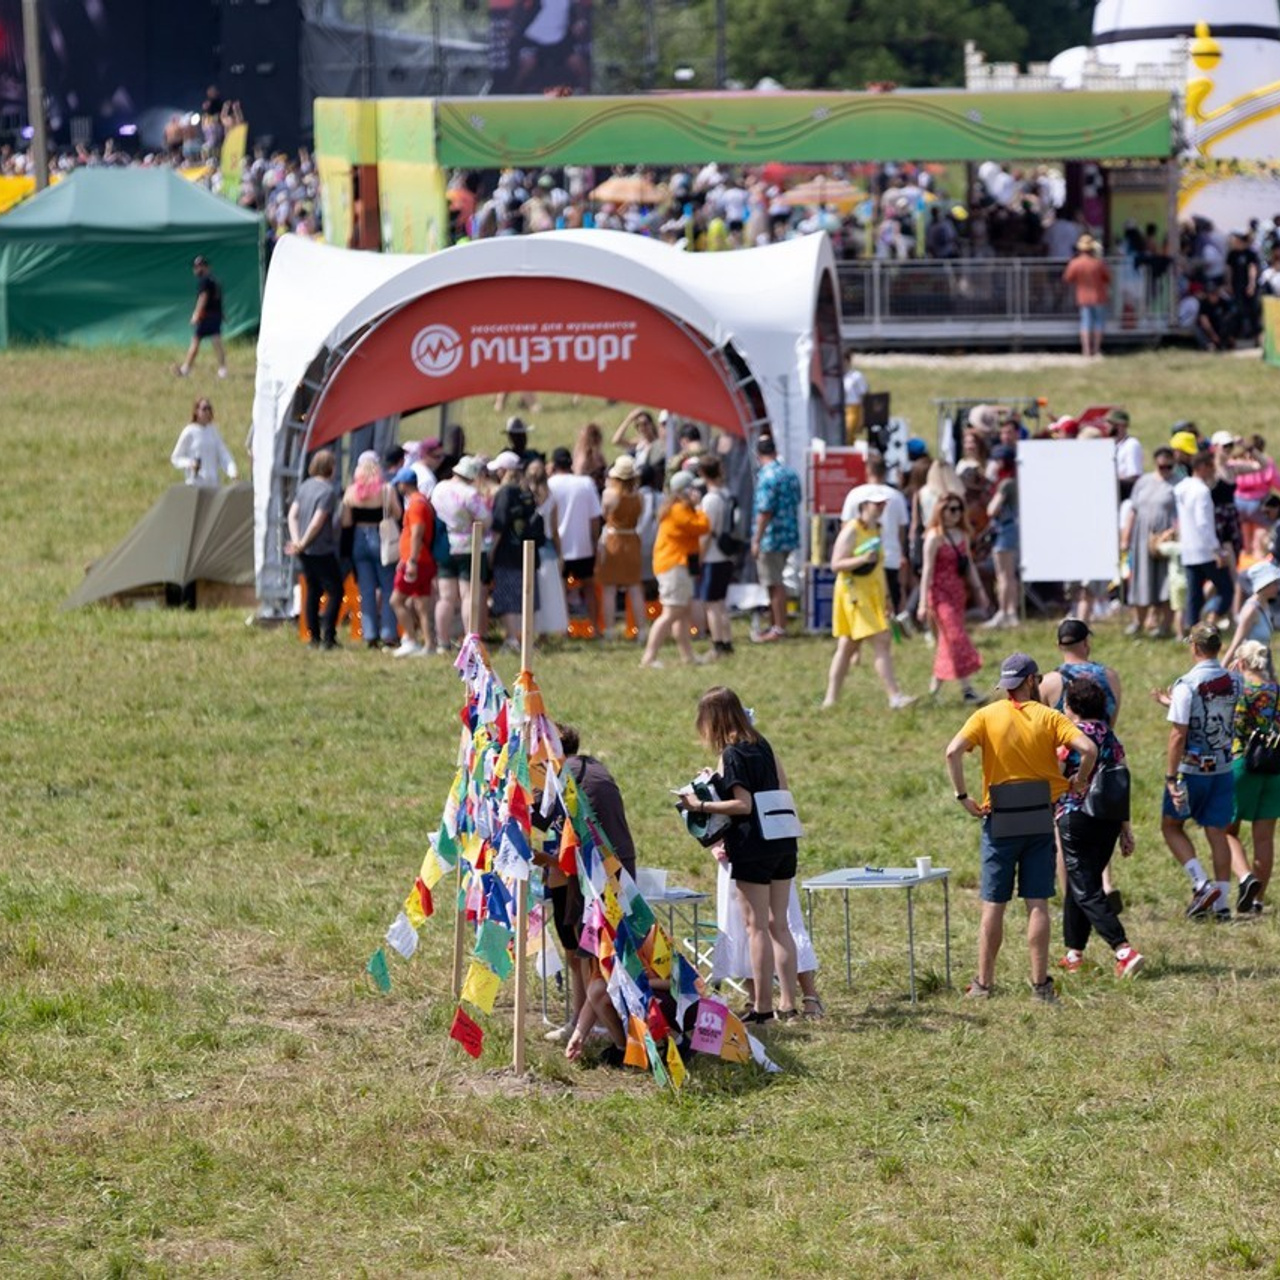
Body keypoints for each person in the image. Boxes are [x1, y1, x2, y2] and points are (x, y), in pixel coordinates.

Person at [945, 652, 1097, 1002]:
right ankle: (1040, 985)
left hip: (999, 819)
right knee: (1037, 904)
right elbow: (1088, 748)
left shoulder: (985, 715)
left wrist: (963, 796)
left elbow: (953, 752)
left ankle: (983, 985)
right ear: (1032, 681)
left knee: (993, 905)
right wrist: (1078, 780)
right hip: (1040, 818)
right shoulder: (1049, 717)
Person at [676, 687, 799, 1024]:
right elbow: (777, 790)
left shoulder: (732, 753)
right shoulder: (762, 744)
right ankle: (789, 1002)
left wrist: (698, 804)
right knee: (780, 925)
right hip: (783, 840)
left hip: (753, 844)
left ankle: (762, 1008)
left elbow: (743, 805)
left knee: (755, 926)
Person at [534, 723, 638, 1052]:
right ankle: (584, 1024)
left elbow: (542, 819)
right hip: (605, 867)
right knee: (587, 950)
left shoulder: (569, 776)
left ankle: (605, 1030)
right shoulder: (586, 769)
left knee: (598, 953)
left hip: (600, 873)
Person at [1056, 678, 1144, 978]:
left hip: (1075, 816)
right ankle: (1074, 954)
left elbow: (1056, 773)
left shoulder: (1070, 734)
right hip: (1107, 818)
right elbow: (1120, 782)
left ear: (1071, 706)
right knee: (1082, 884)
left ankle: (1123, 950)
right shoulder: (1110, 736)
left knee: (1084, 886)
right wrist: (1125, 828)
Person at [1159, 622, 1239, 921]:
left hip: (1191, 771)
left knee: (1171, 826)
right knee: (1217, 831)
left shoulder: (1186, 684)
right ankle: (1222, 906)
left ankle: (1200, 883)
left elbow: (1178, 734)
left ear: (1194, 647)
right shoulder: (1234, 680)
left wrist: (1170, 776)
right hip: (1223, 767)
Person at [823, 488, 915, 710]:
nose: (881, 507)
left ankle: (830, 699)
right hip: (854, 594)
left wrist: (886, 598)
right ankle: (895, 696)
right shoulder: (851, 530)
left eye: (883, 504)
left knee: (846, 647)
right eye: (876, 504)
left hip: (871, 594)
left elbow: (878, 567)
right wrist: (862, 558)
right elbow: (836, 564)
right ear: (863, 506)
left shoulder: (877, 530)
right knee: (882, 641)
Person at [918, 490, 989, 702]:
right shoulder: (933, 537)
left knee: (947, 642)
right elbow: (927, 571)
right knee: (956, 637)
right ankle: (967, 689)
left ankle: (935, 692)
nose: (955, 514)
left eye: (959, 509)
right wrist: (922, 602)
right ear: (941, 510)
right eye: (951, 509)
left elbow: (969, 567)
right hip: (939, 595)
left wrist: (980, 591)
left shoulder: (963, 535)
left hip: (957, 593)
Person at [1227, 640, 1280, 917]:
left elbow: (1233, 725)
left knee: (1227, 830)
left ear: (1242, 662)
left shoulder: (1242, 691)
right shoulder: (1277, 690)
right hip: (1274, 767)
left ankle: (1246, 877)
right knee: (1264, 838)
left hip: (1242, 763)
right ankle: (1257, 902)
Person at [640, 471, 710, 668]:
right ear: (682, 492)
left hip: (679, 566)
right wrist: (699, 507)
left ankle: (687, 656)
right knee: (671, 613)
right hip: (674, 566)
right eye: (692, 488)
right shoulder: (679, 510)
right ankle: (649, 657)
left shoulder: (678, 508)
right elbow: (702, 526)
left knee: (683, 612)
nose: (696, 492)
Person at [430, 455, 492, 652]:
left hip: (443, 545)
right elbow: (486, 519)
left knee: (445, 597)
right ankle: (470, 641)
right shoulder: (470, 494)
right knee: (468, 595)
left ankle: (442, 640)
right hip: (468, 546)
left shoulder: (439, 488)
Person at [285, 450, 343, 650]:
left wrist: (297, 541)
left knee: (313, 591)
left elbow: (292, 515)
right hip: (320, 549)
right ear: (330, 468)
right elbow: (318, 522)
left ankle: (314, 637)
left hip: (304, 550)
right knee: (336, 591)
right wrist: (305, 541)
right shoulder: (327, 492)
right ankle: (328, 636)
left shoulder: (304, 487)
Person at [843, 451, 911, 622]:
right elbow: (902, 530)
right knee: (888, 606)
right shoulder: (896, 496)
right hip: (890, 556)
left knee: (861, 609)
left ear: (867, 470)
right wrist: (901, 552)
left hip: (860, 558)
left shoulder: (855, 494)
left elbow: (845, 527)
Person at [343, 450, 400, 650]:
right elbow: (397, 512)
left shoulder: (351, 491)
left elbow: (346, 521)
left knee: (366, 590)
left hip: (359, 538)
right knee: (387, 588)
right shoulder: (386, 490)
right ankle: (388, 632)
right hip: (381, 537)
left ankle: (369, 633)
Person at [487, 451, 542, 653]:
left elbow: (499, 525)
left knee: (508, 597)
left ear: (503, 470)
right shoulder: (527, 491)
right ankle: (526, 639)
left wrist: (491, 552)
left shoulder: (505, 493)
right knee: (526, 596)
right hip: (528, 551)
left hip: (508, 553)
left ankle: (512, 639)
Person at [1120, 447, 1177, 638]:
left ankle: (1165, 626)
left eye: (1169, 466)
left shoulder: (1178, 484)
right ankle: (1138, 622)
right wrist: (1125, 537)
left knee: (1165, 583)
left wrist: (1171, 533)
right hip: (1142, 537)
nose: (1165, 470)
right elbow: (1133, 510)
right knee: (1141, 580)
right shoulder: (1143, 482)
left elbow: (1181, 515)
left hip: (1166, 540)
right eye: (1162, 466)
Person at [750, 434, 801, 642]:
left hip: (771, 537)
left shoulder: (766, 476)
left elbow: (765, 511)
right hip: (789, 533)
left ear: (758, 454)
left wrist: (756, 539)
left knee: (774, 583)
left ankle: (779, 628)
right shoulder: (789, 473)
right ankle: (775, 624)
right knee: (776, 580)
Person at [1175, 450, 1233, 632]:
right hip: (1205, 550)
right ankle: (1212, 617)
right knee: (1226, 590)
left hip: (1189, 550)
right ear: (1201, 467)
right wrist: (1217, 550)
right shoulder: (1201, 491)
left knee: (1194, 595)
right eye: (1211, 467)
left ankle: (1193, 631)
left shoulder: (1181, 487)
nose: (1213, 472)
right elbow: (1204, 523)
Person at [547, 446, 603, 626]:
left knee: (560, 590)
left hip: (559, 545)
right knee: (588, 588)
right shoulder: (585, 483)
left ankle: (564, 628)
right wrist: (595, 541)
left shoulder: (549, 484)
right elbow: (595, 517)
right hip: (582, 545)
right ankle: (595, 627)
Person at [387, 467, 436, 657]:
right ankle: (429, 644)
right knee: (422, 605)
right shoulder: (423, 501)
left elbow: (416, 533)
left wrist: (411, 560)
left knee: (396, 600)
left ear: (405, 484)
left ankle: (411, 640)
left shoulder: (415, 505)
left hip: (416, 560)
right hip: (422, 560)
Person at [597, 454, 646, 642]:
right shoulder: (640, 496)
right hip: (632, 539)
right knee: (634, 587)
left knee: (609, 588)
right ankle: (641, 630)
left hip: (614, 539)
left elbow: (604, 512)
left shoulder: (610, 494)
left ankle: (609, 631)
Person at [1039, 619, 1122, 726]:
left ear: (1059, 646)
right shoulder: (1110, 677)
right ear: (1086, 642)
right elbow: (1110, 723)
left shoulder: (1047, 683)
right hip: (1102, 742)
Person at [696, 455, 735, 659]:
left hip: (713, 556)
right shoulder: (726, 494)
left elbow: (707, 532)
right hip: (726, 555)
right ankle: (727, 642)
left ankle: (717, 644)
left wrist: (699, 557)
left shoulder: (710, 499)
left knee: (711, 605)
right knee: (720, 603)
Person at [527, 459, 569, 638]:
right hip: (547, 546)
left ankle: (532, 630)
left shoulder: (525, 495)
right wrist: (561, 553)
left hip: (529, 547)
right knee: (549, 593)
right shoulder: (551, 498)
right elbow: (554, 530)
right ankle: (546, 632)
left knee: (532, 591)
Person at [983, 447, 1019, 629]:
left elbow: (992, 509)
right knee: (1009, 575)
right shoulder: (1015, 481)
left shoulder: (1005, 483)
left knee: (1003, 574)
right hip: (1011, 530)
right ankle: (1009, 611)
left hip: (1005, 531)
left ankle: (1005, 611)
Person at [175, 255, 227, 379]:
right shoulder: (215, 280)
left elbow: (203, 297)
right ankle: (223, 370)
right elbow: (218, 299)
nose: (196, 270)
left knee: (196, 342)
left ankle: (185, 370)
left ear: (205, 267)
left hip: (206, 316)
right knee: (216, 342)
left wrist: (196, 314)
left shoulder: (204, 281)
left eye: (198, 267)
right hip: (216, 316)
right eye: (195, 267)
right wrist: (222, 314)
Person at [1223, 560, 1280, 671]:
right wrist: (1219, 671)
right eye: (1275, 584)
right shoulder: (1251, 610)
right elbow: (1236, 644)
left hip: (1261, 667)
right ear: (1264, 585)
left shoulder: (1265, 605)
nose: (1278, 588)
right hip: (1249, 671)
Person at [170, 398, 237, 488]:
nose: (207, 412)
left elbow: (224, 454)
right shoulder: (189, 431)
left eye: (209, 408)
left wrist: (232, 472)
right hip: (196, 484)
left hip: (213, 484)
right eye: (204, 409)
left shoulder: (213, 431)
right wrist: (190, 463)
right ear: (197, 411)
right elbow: (176, 458)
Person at [1062, 234, 1111, 358]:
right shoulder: (1098, 263)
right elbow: (1108, 278)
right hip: (1099, 296)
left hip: (1083, 297)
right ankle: (1096, 349)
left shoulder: (1075, 263)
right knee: (1098, 323)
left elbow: (1067, 278)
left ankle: (1086, 350)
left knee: (1085, 323)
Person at [1110, 409, 1144, 502]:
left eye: (1113, 424)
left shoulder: (1131, 445)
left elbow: (1134, 476)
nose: (1110, 427)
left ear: (1123, 426)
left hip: (1126, 496)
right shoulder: (1114, 445)